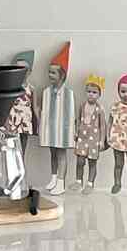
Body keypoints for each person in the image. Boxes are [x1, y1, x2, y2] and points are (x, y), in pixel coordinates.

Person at [40, 42, 75, 196]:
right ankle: (53, 178)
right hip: (50, 130)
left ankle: (61, 182)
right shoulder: (46, 92)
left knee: (61, 155)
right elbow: (44, 112)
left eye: (53, 73)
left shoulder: (68, 94)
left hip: (62, 131)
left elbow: (71, 114)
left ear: (62, 75)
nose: (50, 76)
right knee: (52, 154)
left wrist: (70, 132)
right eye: (49, 72)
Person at [71, 74, 107, 194]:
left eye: (94, 92)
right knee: (80, 161)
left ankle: (90, 183)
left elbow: (103, 125)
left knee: (92, 161)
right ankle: (78, 181)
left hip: (94, 138)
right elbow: (78, 119)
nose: (91, 94)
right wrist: (76, 132)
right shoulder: (82, 105)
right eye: (89, 91)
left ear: (99, 95)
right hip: (82, 137)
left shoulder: (100, 109)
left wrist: (102, 140)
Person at [4, 50, 40, 157]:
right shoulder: (11, 88)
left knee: (22, 149)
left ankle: (20, 169)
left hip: (25, 122)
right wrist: (5, 122)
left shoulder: (31, 89)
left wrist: (39, 122)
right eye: (17, 69)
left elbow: (35, 107)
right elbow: (6, 106)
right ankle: (10, 169)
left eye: (24, 69)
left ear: (29, 71)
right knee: (10, 147)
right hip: (13, 121)